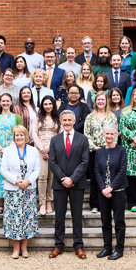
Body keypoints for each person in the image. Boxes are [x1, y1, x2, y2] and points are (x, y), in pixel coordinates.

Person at [49, 110, 89, 259]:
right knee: (59, 216)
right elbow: (52, 162)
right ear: (61, 122)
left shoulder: (83, 139)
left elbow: (85, 162)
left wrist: (72, 179)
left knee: (77, 216)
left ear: (74, 121)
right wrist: (63, 178)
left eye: (69, 120)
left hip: (77, 184)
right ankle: (58, 245)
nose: (66, 122)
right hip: (59, 184)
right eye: (64, 120)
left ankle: (78, 246)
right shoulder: (55, 140)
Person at [1, 126, 40, 259]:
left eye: (22, 135)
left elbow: (37, 170)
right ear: (14, 136)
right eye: (17, 135)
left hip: (28, 190)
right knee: (14, 219)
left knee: (27, 219)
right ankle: (15, 249)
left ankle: (24, 248)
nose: (19, 137)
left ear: (26, 136)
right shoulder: (8, 151)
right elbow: (3, 170)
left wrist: (28, 181)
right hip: (13, 190)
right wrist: (16, 181)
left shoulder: (33, 151)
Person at [95, 124, 127, 260]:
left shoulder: (121, 150)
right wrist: (103, 188)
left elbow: (122, 171)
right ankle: (107, 247)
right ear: (104, 135)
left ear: (116, 135)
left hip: (118, 191)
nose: (109, 136)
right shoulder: (99, 152)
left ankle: (119, 249)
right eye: (106, 134)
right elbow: (96, 171)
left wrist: (111, 188)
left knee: (119, 221)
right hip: (103, 192)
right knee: (105, 221)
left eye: (111, 134)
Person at [84, 91, 118, 213]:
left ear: (106, 101)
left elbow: (115, 134)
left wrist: (111, 147)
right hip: (95, 151)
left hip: (109, 150)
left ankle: (110, 203)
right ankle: (95, 204)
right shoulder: (90, 117)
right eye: (98, 100)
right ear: (95, 101)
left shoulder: (112, 116)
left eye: (103, 99)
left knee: (109, 177)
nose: (100, 102)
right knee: (95, 178)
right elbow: (86, 135)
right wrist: (94, 147)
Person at [0, 93, 23, 214]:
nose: (5, 103)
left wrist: (9, 148)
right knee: (0, 176)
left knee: (13, 174)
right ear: (0, 102)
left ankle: (13, 203)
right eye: (3, 101)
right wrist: (0, 149)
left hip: (14, 149)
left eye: (7, 101)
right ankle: (1, 205)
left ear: (11, 102)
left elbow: (20, 133)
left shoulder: (16, 117)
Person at [32, 96, 61, 215]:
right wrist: (43, 149)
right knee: (43, 176)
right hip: (40, 149)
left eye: (50, 104)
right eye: (45, 104)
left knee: (52, 176)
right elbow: (34, 133)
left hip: (54, 149)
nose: (48, 106)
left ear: (53, 105)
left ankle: (50, 201)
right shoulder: (38, 117)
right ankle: (42, 203)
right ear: (42, 106)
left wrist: (50, 148)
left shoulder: (57, 118)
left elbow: (60, 134)